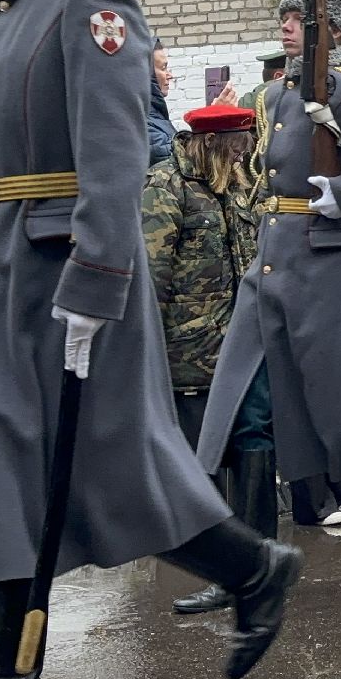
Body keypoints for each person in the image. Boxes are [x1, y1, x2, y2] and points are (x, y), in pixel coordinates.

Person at [0, 0, 297, 679]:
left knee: (67, 468)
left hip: (67, 277)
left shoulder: (88, 2)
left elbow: (115, 158)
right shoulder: (15, 7)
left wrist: (93, 291)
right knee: (28, 472)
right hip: (13, 266)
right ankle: (245, 571)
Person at [188, 0, 341, 586]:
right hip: (273, 254)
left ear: (333, 31)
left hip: (326, 253)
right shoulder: (275, 93)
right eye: (285, 17)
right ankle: (250, 558)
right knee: (250, 397)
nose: (287, 27)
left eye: (299, 18)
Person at [141, 104, 260, 451]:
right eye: (236, 149)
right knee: (193, 448)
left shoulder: (235, 185)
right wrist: (149, 346)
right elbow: (152, 270)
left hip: (237, 342)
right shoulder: (165, 184)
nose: (241, 157)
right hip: (187, 349)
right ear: (210, 141)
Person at [149, 40, 177, 165]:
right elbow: (183, 163)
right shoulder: (141, 122)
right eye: (163, 68)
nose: (169, 75)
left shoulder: (154, 114)